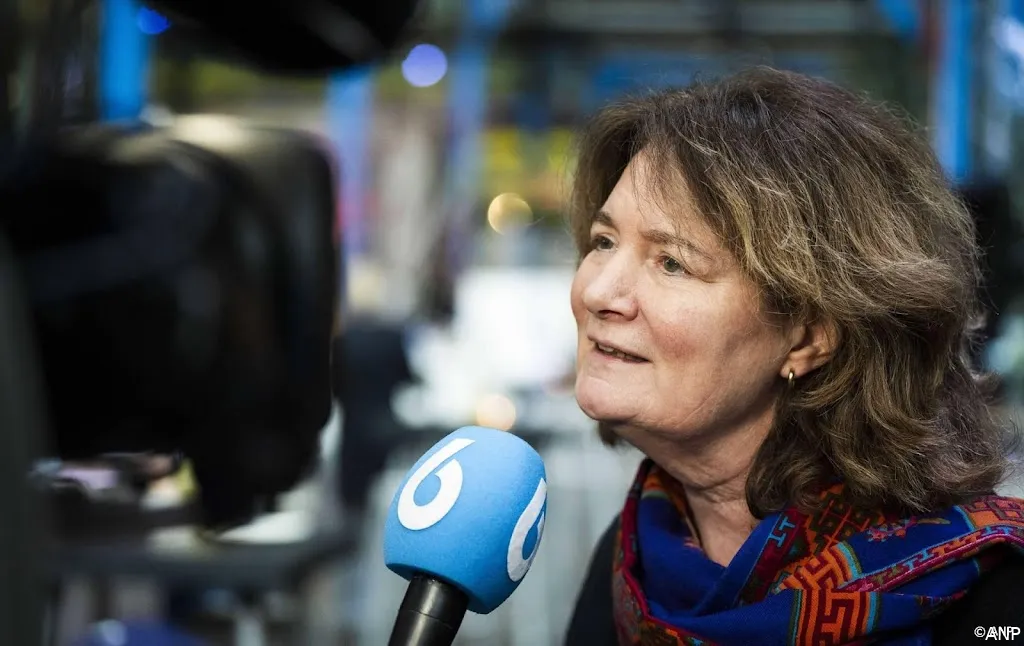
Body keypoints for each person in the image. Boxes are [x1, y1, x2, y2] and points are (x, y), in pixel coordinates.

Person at [563, 67, 1024, 646]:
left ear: (809, 337)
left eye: (672, 263)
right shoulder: (633, 560)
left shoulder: (991, 598)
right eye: (604, 242)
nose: (599, 291)